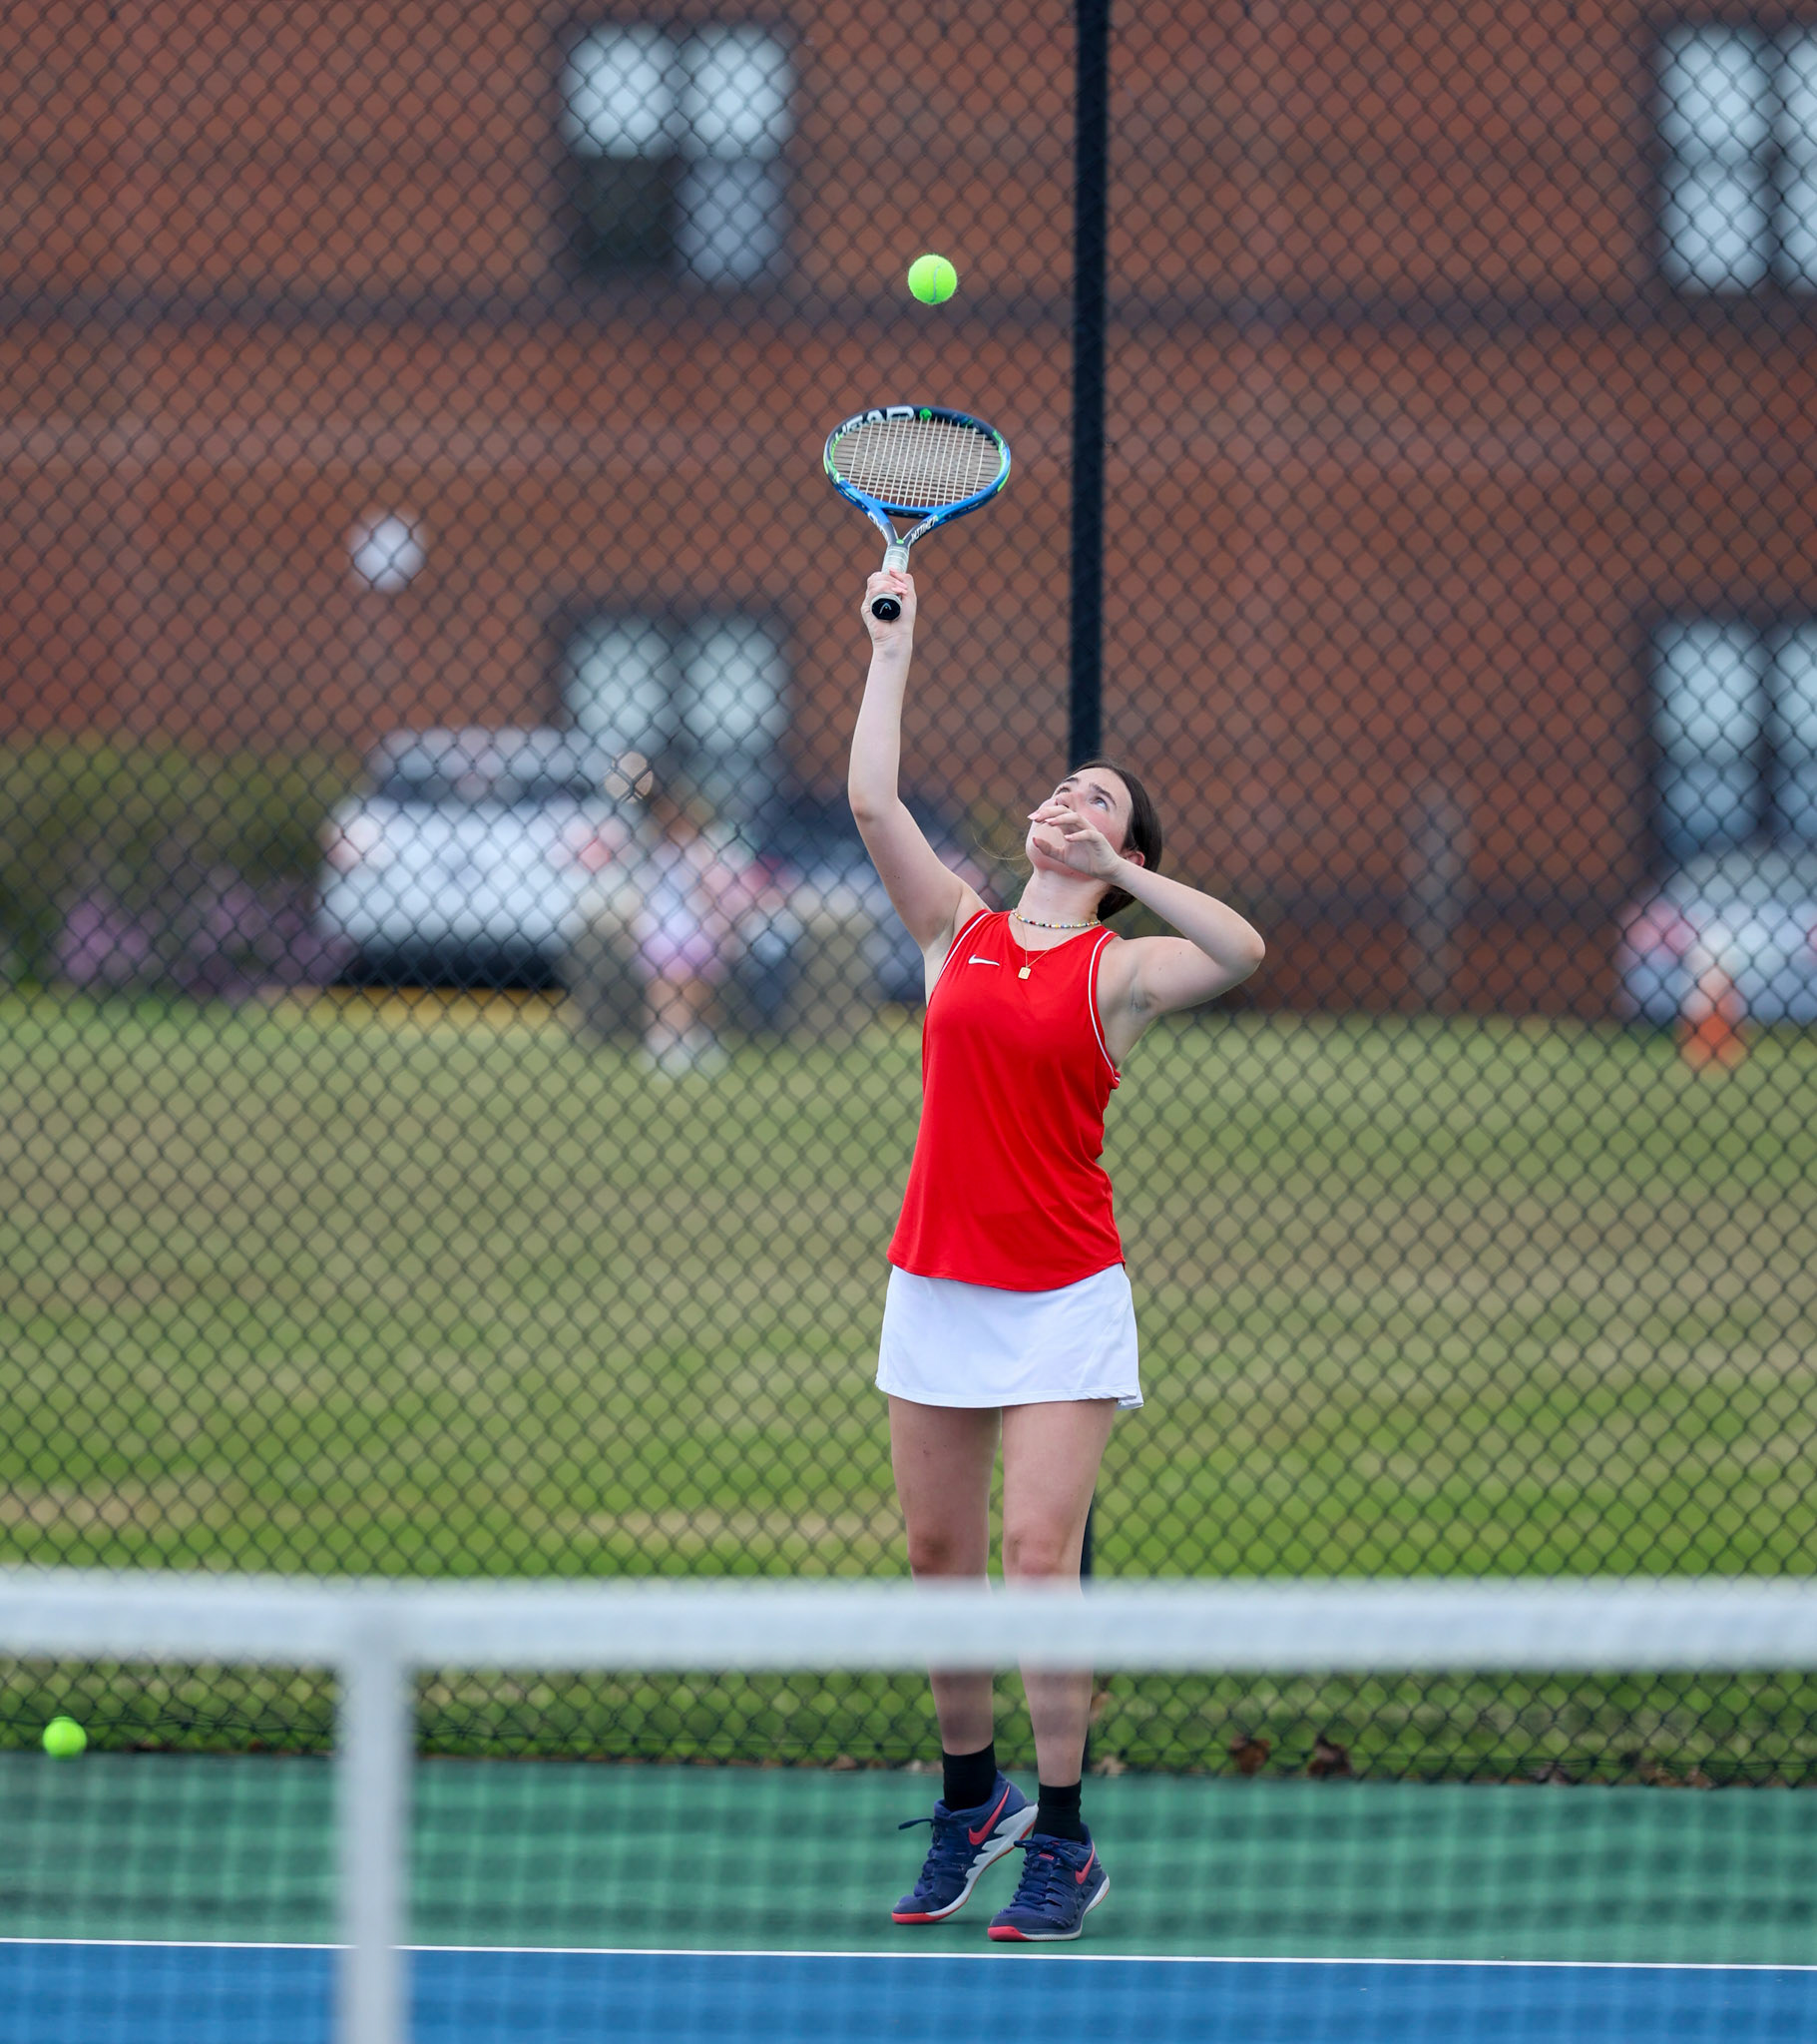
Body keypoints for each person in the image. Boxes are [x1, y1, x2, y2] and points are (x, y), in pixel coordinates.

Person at [847, 563, 1266, 1942]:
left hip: (1063, 1299)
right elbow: (870, 803)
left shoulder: (1119, 972)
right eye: (1062, 789)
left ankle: (1065, 1836)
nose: (1067, 801)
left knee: (1040, 1558)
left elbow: (1242, 946)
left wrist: (1127, 873)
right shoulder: (953, 929)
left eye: (1099, 796)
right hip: (935, 1285)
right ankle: (972, 1800)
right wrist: (889, 647)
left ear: (1119, 846)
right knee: (934, 1555)